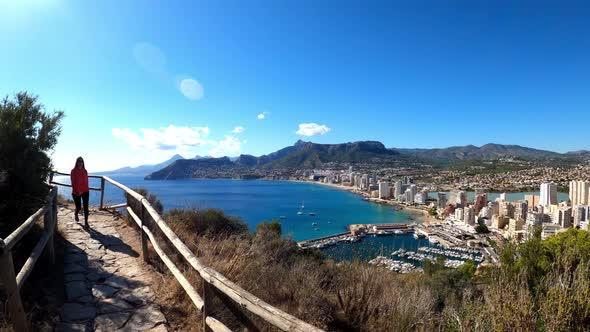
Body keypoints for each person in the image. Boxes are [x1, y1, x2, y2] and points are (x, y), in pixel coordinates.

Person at [70, 156, 90, 227]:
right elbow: (73, 183)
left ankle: (86, 222)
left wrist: (86, 190)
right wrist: (78, 191)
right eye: (79, 161)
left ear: (83, 162)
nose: (80, 163)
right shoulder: (73, 171)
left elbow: (86, 182)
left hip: (85, 191)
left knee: (86, 207)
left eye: (81, 161)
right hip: (76, 192)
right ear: (76, 162)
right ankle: (76, 214)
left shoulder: (85, 171)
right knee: (78, 207)